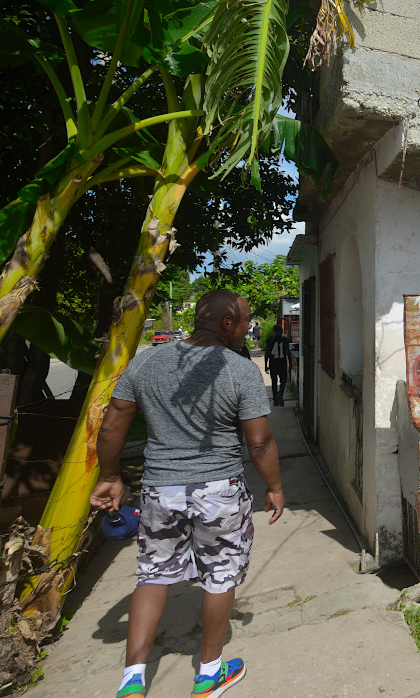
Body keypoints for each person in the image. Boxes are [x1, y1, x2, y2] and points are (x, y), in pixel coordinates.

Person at [91, 289, 284, 698]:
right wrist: (275, 487)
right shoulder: (239, 370)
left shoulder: (146, 362)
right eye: (246, 320)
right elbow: (261, 443)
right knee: (220, 576)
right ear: (227, 324)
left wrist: (110, 476)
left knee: (152, 575)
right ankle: (209, 673)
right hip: (219, 490)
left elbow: (111, 427)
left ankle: (131, 682)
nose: (249, 326)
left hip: (160, 489)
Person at [264, 325, 292, 407]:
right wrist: (290, 364)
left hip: (273, 363)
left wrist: (266, 364)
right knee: (283, 381)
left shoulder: (270, 340)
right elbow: (288, 353)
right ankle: (280, 394)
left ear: (273, 331)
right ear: (281, 331)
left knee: (274, 381)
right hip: (282, 363)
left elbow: (266, 353)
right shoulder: (284, 340)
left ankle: (275, 400)